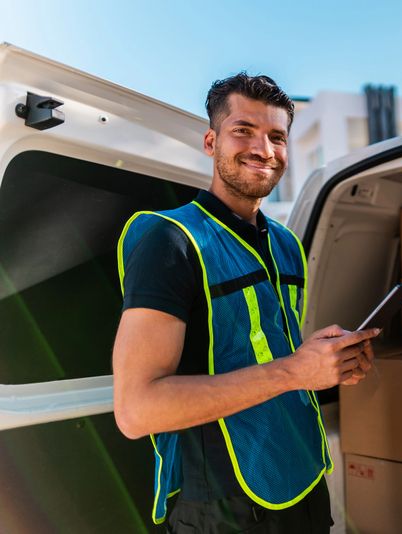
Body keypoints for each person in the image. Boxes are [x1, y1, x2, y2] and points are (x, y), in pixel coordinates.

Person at [112, 72, 379, 533]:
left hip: (303, 484)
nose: (264, 149)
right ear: (211, 141)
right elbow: (137, 411)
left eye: (277, 136)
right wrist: (296, 370)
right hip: (224, 507)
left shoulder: (286, 244)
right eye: (243, 131)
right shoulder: (171, 240)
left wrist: (322, 362)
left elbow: (269, 351)